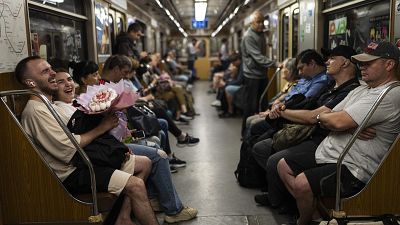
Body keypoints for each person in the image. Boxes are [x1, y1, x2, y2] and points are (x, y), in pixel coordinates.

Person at [17, 56, 198, 224]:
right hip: (71, 172)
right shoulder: (36, 111)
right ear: (31, 82)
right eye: (45, 72)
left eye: (51, 69)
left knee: (145, 163)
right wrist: (102, 127)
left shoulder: (47, 104)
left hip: (80, 162)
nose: (53, 74)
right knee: (135, 184)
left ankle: (123, 217)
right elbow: (70, 148)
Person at [277, 41, 400, 225]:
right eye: (361, 63)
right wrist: (343, 124)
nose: (361, 67)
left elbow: (334, 120)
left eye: (369, 63)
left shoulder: (389, 94)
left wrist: (335, 121)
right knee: (282, 165)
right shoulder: (362, 89)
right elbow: (329, 118)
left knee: (302, 183)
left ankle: (303, 221)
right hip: (332, 153)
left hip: (354, 166)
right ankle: (317, 218)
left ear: (389, 65)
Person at [252, 45, 360, 213]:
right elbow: (312, 112)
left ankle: (290, 204)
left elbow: (314, 116)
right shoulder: (331, 85)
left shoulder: (350, 90)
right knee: (263, 144)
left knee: (274, 158)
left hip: (323, 137)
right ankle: (280, 196)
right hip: (310, 130)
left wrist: (283, 111)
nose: (327, 62)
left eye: (332, 58)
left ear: (345, 63)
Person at [240, 11, 276, 133]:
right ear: (252, 23)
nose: (261, 24)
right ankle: (245, 132)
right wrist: (275, 64)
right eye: (258, 22)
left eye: (262, 21)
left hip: (261, 74)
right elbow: (258, 57)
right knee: (250, 106)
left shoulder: (261, 35)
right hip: (251, 75)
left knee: (263, 104)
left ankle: (259, 130)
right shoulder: (249, 36)